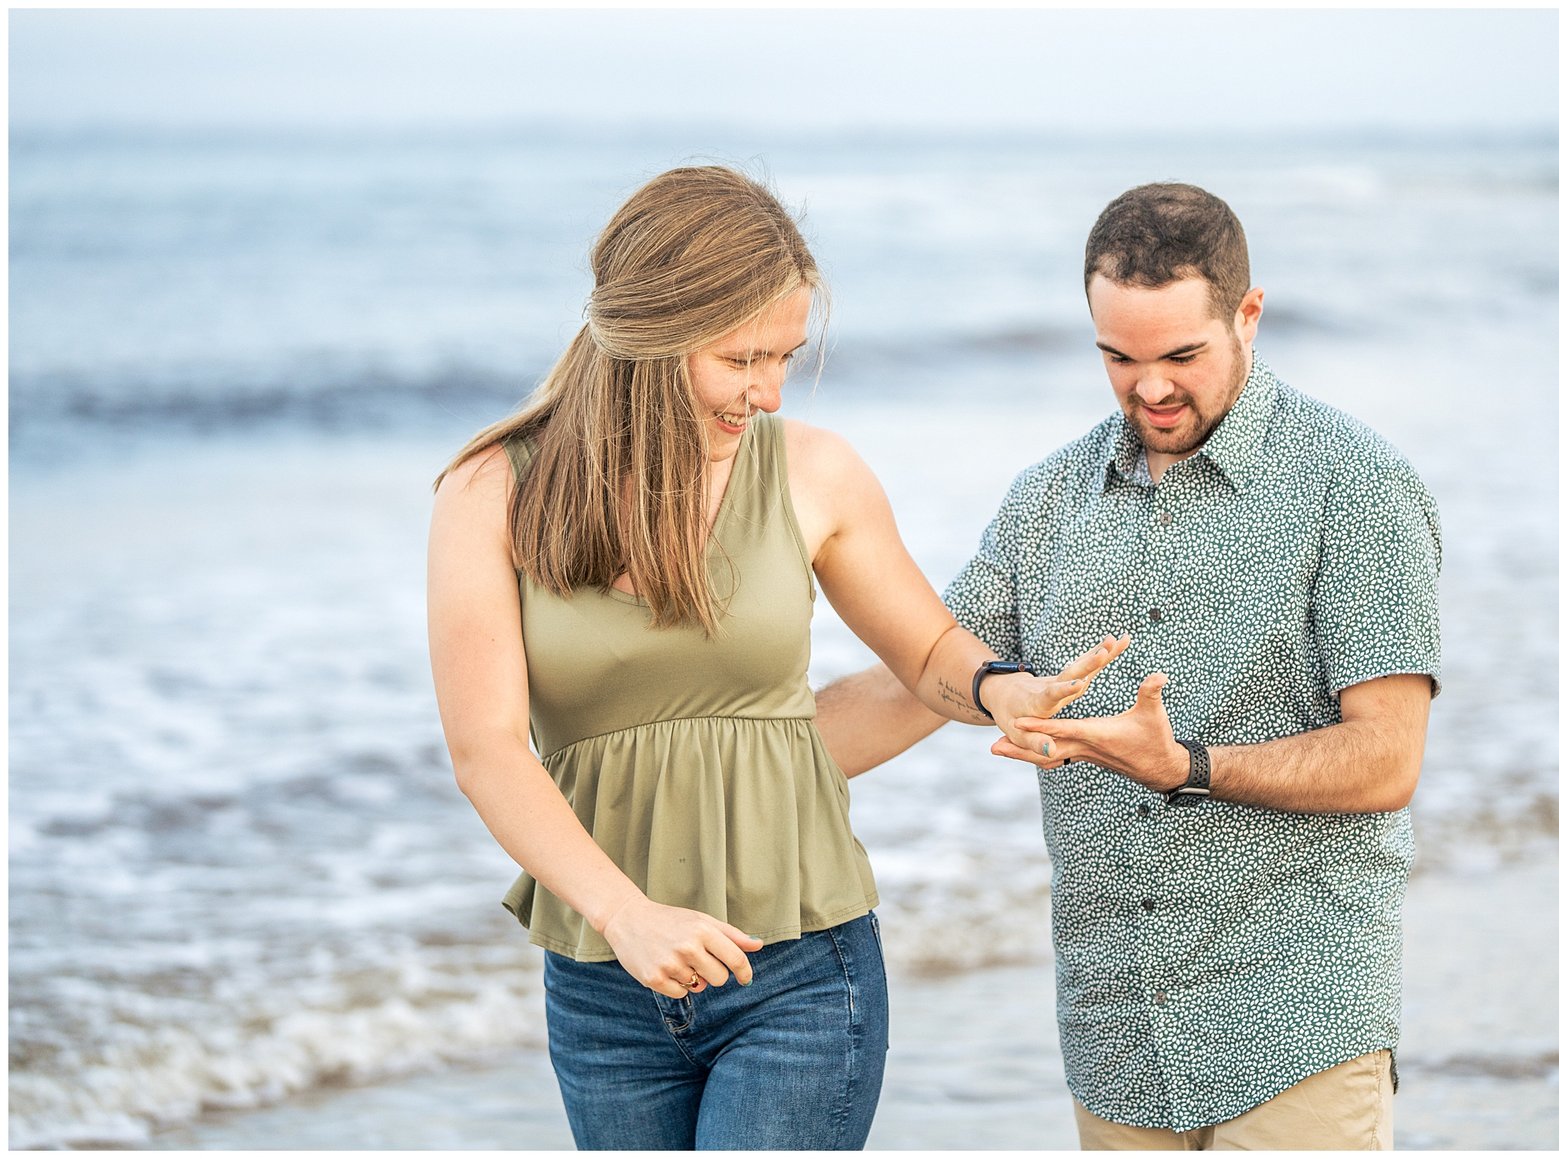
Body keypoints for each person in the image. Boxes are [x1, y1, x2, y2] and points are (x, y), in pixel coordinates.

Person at [425, 165, 1121, 1150]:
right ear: (651, 335)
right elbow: (487, 751)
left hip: (798, 973)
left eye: (786, 356)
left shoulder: (812, 472)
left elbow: (924, 648)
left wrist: (997, 686)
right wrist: (626, 916)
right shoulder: (491, 491)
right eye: (743, 358)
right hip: (604, 988)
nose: (768, 391)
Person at [814, 182, 1441, 1150]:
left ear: (1248, 315)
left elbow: (1388, 759)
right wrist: (721, 769)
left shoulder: (1355, 486)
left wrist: (1187, 765)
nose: (1149, 387)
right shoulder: (1044, 500)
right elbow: (925, 678)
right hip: (1115, 1035)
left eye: (1181, 356)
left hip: (1296, 1018)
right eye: (1118, 357)